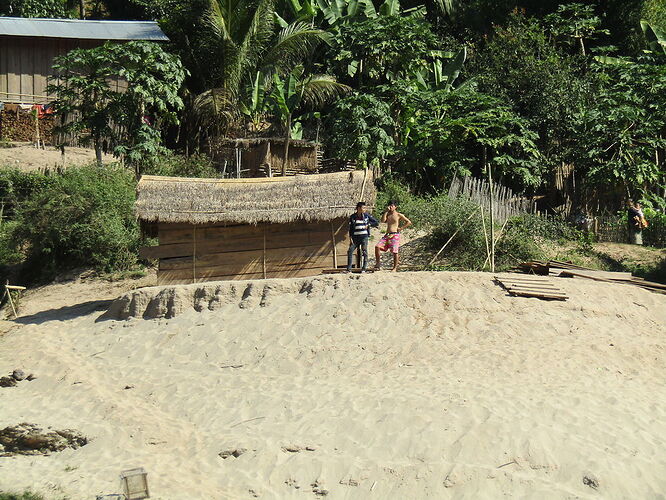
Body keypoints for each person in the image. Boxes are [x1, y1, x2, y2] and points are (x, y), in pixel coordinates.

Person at [374, 200, 412, 272]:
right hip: (387, 235)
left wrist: (401, 228)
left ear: (395, 207)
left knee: (395, 251)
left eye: (392, 206)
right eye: (389, 206)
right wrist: (385, 212)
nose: (390, 207)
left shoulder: (398, 215)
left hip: (395, 235)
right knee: (377, 247)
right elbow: (382, 221)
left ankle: (394, 268)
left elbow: (409, 222)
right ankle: (378, 263)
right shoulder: (388, 214)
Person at [346, 201, 379, 273]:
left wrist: (369, 225)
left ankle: (364, 268)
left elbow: (376, 222)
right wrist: (350, 237)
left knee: (364, 251)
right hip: (355, 238)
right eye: (363, 208)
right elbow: (350, 228)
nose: (364, 209)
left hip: (364, 237)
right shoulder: (353, 217)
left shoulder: (366, 216)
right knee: (350, 251)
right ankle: (349, 269)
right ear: (359, 208)